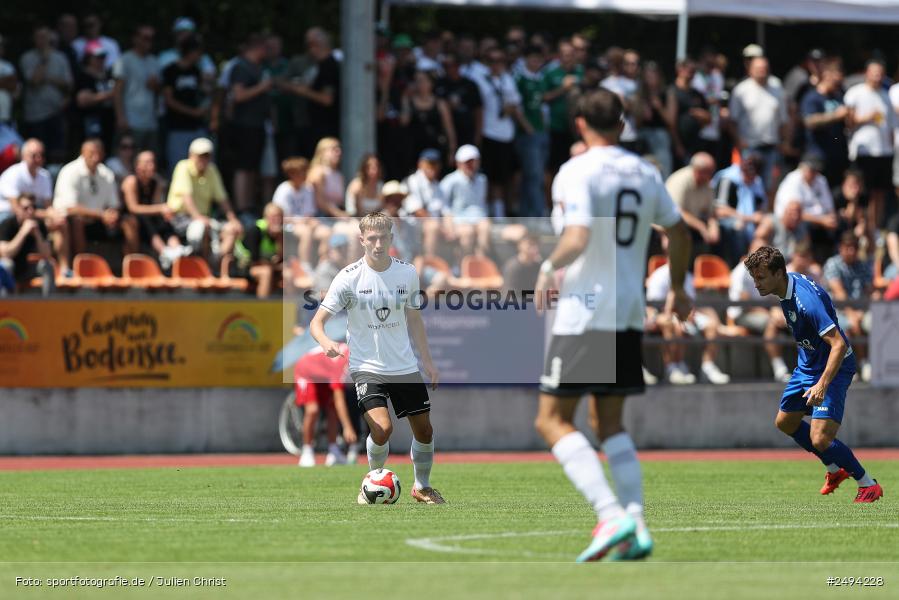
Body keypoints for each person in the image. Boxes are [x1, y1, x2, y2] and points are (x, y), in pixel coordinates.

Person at [533, 88, 692, 562]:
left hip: (585, 311)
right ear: (622, 125)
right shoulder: (645, 170)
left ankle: (609, 512)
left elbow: (578, 236)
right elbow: (679, 232)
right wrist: (679, 288)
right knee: (609, 423)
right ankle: (637, 525)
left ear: (580, 123)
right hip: (627, 312)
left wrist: (547, 267)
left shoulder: (576, 170)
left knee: (551, 419)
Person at [310, 212, 444, 505]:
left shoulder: (407, 273)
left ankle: (422, 486)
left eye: (383, 237)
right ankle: (371, 482)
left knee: (425, 430)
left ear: (391, 238)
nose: (378, 244)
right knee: (382, 428)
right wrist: (325, 342)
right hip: (366, 367)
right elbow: (316, 322)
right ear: (362, 240)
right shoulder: (348, 277)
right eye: (372, 238)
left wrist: (428, 362)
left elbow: (415, 320)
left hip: (404, 365)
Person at [743, 245, 882, 503]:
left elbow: (839, 344)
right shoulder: (786, 287)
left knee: (820, 438)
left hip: (834, 366)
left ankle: (868, 484)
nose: (756, 283)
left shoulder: (805, 302)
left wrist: (822, 384)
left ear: (778, 273)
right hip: (808, 365)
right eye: (754, 278)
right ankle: (834, 469)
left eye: (761, 277)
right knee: (785, 422)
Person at [53, 139, 138, 257]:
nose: (95, 157)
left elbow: (114, 204)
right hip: (73, 223)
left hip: (101, 221)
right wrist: (102, 215)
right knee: (78, 220)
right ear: (82, 153)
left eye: (99, 153)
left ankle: (132, 264)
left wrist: (112, 214)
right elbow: (70, 208)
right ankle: (81, 265)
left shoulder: (106, 173)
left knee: (130, 221)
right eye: (91, 153)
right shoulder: (70, 171)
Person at [166, 137, 241, 261]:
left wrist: (233, 220)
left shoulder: (212, 170)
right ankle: (204, 267)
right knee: (202, 227)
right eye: (200, 155)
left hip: (203, 218)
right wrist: (198, 217)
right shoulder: (182, 167)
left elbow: (222, 199)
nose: (203, 159)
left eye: (206, 156)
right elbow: (186, 197)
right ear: (191, 155)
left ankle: (215, 265)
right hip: (179, 218)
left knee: (231, 230)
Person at [473, 48, 527, 218]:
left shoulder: (508, 80)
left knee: (510, 177)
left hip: (507, 135)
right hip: (489, 134)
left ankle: (505, 211)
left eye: (500, 61)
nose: (497, 65)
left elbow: (516, 104)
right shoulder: (480, 80)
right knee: (491, 179)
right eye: (493, 61)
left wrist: (512, 112)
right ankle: (493, 213)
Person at [844, 60, 896, 230]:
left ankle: (876, 228)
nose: (877, 77)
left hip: (884, 151)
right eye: (874, 73)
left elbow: (890, 123)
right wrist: (866, 117)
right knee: (862, 193)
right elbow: (848, 121)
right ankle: (861, 228)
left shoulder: (886, 94)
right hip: (864, 151)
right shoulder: (855, 93)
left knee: (880, 193)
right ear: (866, 73)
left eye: (880, 73)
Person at [729, 57, 789, 191]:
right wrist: (738, 141)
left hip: (772, 146)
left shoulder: (777, 89)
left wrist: (784, 141)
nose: (763, 72)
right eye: (759, 69)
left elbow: (783, 120)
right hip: (749, 146)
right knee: (747, 183)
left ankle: (764, 211)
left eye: (765, 69)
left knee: (770, 186)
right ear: (750, 70)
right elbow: (732, 120)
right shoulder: (741, 90)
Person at [294, 341, 357, 468]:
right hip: (306, 371)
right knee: (313, 410)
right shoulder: (341, 363)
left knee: (331, 409)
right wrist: (347, 427)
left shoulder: (351, 356)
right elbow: (340, 399)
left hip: (324, 375)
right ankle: (307, 451)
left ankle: (333, 451)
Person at [823, 232, 875, 382]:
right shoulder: (832, 264)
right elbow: (839, 293)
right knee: (849, 327)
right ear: (841, 248)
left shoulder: (862, 265)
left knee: (877, 324)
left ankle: (878, 366)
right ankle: (857, 366)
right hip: (837, 310)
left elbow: (869, 291)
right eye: (847, 248)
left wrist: (862, 310)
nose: (851, 251)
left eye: (854, 248)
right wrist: (852, 313)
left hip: (861, 310)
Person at [121, 151, 184, 267]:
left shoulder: (156, 182)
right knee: (145, 218)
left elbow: (154, 206)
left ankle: (176, 248)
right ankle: (163, 251)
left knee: (163, 219)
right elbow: (133, 208)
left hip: (148, 221)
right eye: (147, 163)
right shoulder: (131, 181)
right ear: (138, 166)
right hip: (130, 220)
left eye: (152, 162)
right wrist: (161, 208)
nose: (152, 166)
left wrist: (165, 211)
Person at [19, 26, 73, 163]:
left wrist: (49, 79)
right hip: (35, 115)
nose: (42, 40)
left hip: (56, 112)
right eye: (39, 37)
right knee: (37, 154)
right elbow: (35, 81)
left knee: (57, 154)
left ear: (50, 38)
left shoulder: (61, 58)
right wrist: (44, 60)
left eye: (45, 37)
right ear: (34, 39)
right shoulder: (27, 58)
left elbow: (69, 85)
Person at [161, 34, 208, 173]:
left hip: (196, 127)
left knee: (201, 167)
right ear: (191, 51)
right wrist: (192, 112)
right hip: (176, 127)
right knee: (178, 168)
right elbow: (168, 100)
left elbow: (201, 94)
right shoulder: (170, 71)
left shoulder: (196, 71)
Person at [800, 58, 848, 188]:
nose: (839, 81)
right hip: (818, 156)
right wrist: (835, 116)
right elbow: (810, 121)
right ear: (826, 75)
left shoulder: (838, 96)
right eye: (836, 77)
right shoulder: (812, 97)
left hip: (837, 155)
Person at [713, 151, 766, 266]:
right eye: (747, 173)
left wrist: (760, 219)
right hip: (725, 221)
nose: (749, 177)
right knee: (739, 226)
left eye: (753, 175)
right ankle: (738, 266)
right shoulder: (728, 179)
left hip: (749, 224)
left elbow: (760, 208)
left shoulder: (757, 182)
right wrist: (748, 218)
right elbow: (719, 210)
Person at [113, 25, 160, 153]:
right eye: (145, 37)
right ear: (135, 39)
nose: (149, 41)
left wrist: (155, 86)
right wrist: (120, 117)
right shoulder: (125, 60)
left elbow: (159, 92)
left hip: (150, 122)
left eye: (151, 38)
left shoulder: (154, 61)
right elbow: (117, 91)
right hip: (131, 121)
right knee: (129, 160)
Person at [515, 45, 549, 218]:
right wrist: (528, 128)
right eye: (533, 59)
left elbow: (541, 105)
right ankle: (537, 214)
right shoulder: (519, 79)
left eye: (538, 59)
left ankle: (528, 213)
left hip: (541, 132)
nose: (536, 63)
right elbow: (516, 107)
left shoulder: (540, 79)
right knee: (534, 176)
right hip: (528, 134)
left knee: (535, 176)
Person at [439, 144, 490, 258]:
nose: (470, 165)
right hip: (458, 219)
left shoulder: (482, 180)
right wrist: (449, 225)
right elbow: (444, 205)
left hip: (478, 218)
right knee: (468, 232)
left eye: (473, 161)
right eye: (467, 162)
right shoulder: (450, 180)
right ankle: (464, 264)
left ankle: (481, 263)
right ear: (459, 163)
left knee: (485, 227)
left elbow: (482, 204)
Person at [665, 153, 717, 259]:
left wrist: (714, 228)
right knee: (684, 236)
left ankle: (703, 270)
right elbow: (677, 211)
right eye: (708, 172)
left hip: (692, 224)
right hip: (670, 225)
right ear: (697, 170)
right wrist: (702, 227)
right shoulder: (680, 180)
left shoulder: (707, 184)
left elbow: (710, 212)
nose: (710, 176)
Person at [0, 194, 53, 294]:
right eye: (26, 208)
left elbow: (47, 255)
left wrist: (37, 235)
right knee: (6, 265)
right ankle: (6, 304)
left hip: (27, 267)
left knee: (47, 266)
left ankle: (49, 303)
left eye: (33, 207)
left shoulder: (39, 225)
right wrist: (23, 233)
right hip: (11, 268)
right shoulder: (7, 225)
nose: (30, 211)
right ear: (17, 209)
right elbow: (6, 253)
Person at [273, 157, 318, 271]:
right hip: (287, 226)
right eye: (301, 172)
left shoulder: (308, 188)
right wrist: (304, 221)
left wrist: (309, 221)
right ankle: (305, 266)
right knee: (306, 233)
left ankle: (324, 267)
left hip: (304, 223)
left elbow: (309, 213)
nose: (304, 175)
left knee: (325, 233)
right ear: (292, 174)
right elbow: (282, 217)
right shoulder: (283, 189)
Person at [239, 202, 285, 298]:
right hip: (245, 267)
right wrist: (275, 266)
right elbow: (254, 260)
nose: (277, 220)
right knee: (266, 272)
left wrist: (279, 238)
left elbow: (281, 257)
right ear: (266, 217)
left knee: (288, 273)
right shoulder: (255, 230)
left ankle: (290, 309)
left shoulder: (281, 234)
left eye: (279, 217)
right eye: (273, 217)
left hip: (269, 265)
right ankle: (263, 308)